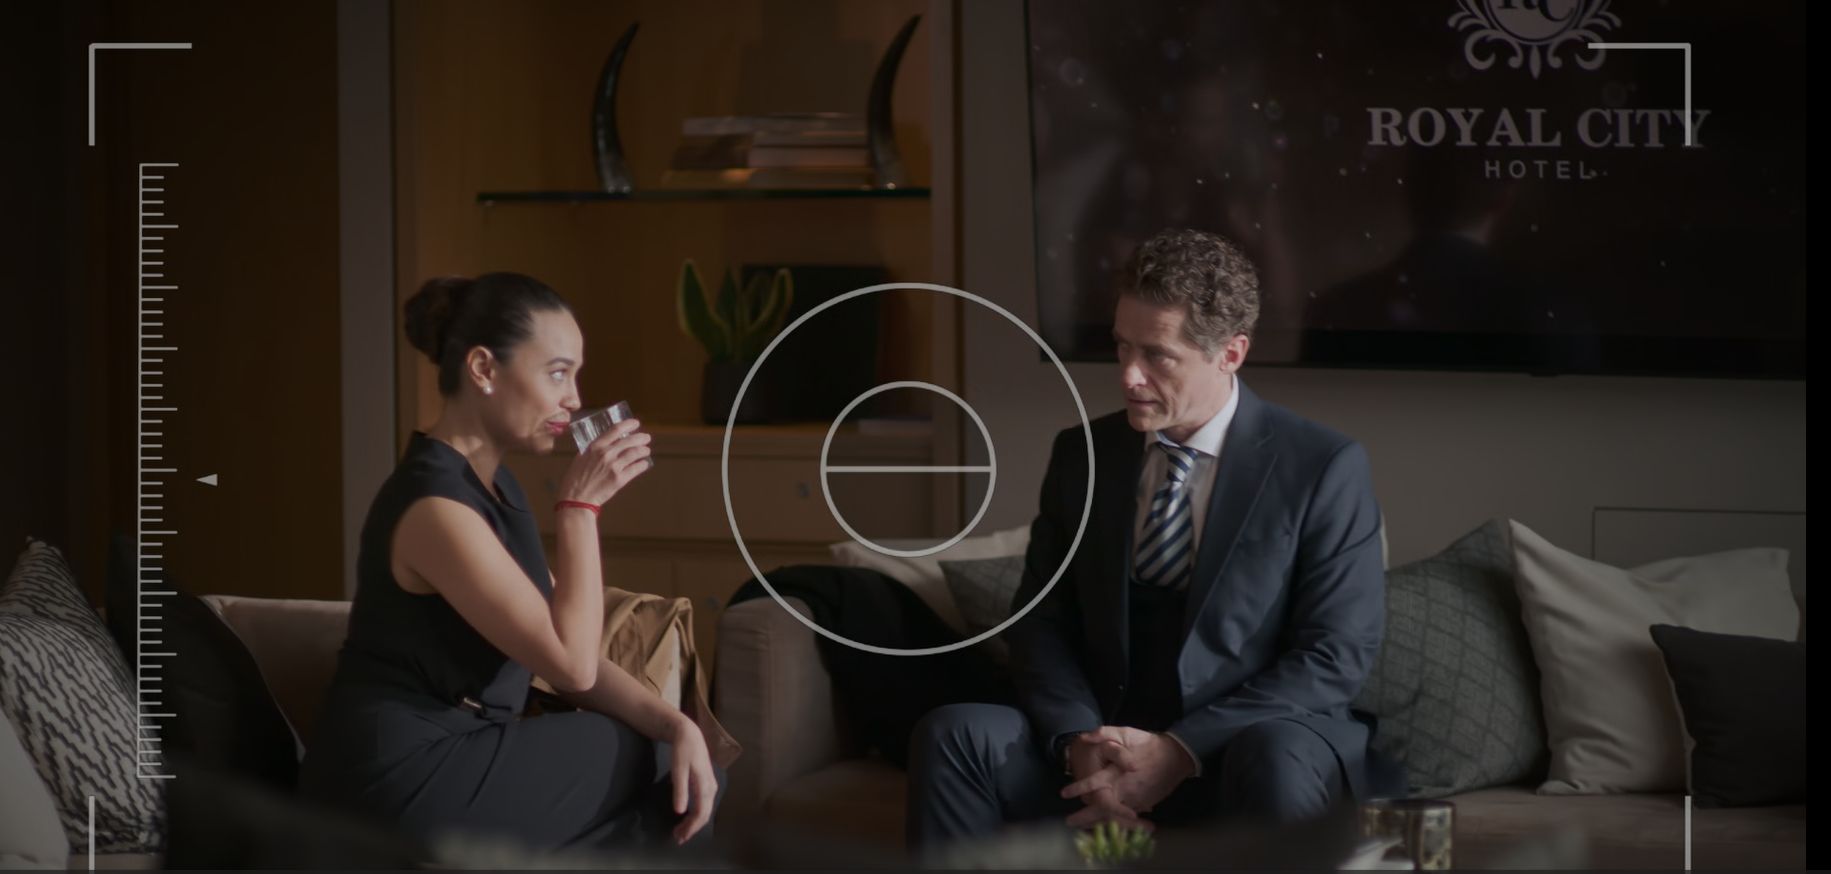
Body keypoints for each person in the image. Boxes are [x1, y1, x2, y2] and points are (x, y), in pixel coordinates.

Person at [907, 229, 1393, 849]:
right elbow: (1041, 623)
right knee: (955, 734)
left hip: (1241, 748)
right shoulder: (1083, 454)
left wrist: (1179, 750)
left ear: (1231, 353)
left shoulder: (1322, 466)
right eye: (1121, 347)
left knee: (1276, 754)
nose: (1129, 376)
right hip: (1102, 742)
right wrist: (1078, 743)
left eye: (1158, 356)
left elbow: (1334, 656)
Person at [300, 272, 721, 852]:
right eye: (558, 373)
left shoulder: (498, 489)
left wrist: (678, 723)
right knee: (668, 776)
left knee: (684, 776)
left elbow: (566, 646)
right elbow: (571, 668)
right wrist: (579, 511)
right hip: (396, 774)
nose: (574, 399)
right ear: (483, 369)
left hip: (468, 747)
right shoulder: (434, 508)